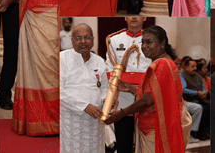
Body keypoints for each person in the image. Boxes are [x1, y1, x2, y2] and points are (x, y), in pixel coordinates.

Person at [0, 0, 60, 136]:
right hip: (37, 7)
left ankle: (50, 121)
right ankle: (37, 119)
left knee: (47, 68)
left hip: (47, 10)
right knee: (36, 68)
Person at [104, 25, 191, 153]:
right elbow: (158, 94)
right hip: (159, 125)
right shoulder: (166, 61)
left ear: (162, 44)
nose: (144, 46)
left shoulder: (161, 65)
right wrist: (132, 89)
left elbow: (147, 100)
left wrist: (121, 113)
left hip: (156, 128)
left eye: (149, 42)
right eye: (143, 42)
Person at [105, 17, 152, 153]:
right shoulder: (114, 40)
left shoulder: (151, 39)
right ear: (125, 17)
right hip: (123, 99)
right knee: (123, 143)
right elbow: (110, 70)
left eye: (137, 15)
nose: (133, 17)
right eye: (130, 14)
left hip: (146, 97)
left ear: (144, 17)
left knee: (145, 143)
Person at [60, 24, 108, 153]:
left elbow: (104, 88)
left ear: (93, 39)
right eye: (78, 38)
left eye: (87, 37)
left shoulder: (99, 61)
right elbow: (58, 91)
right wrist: (85, 106)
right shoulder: (62, 58)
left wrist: (106, 101)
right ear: (71, 40)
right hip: (71, 121)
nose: (83, 41)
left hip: (95, 120)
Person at [180, 59, 209, 140]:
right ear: (186, 67)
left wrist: (204, 93)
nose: (195, 68)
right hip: (187, 100)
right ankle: (195, 132)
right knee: (202, 108)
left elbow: (203, 87)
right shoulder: (182, 75)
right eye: (192, 66)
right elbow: (184, 90)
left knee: (209, 107)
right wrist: (197, 93)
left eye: (195, 66)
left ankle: (203, 131)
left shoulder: (197, 76)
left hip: (198, 99)